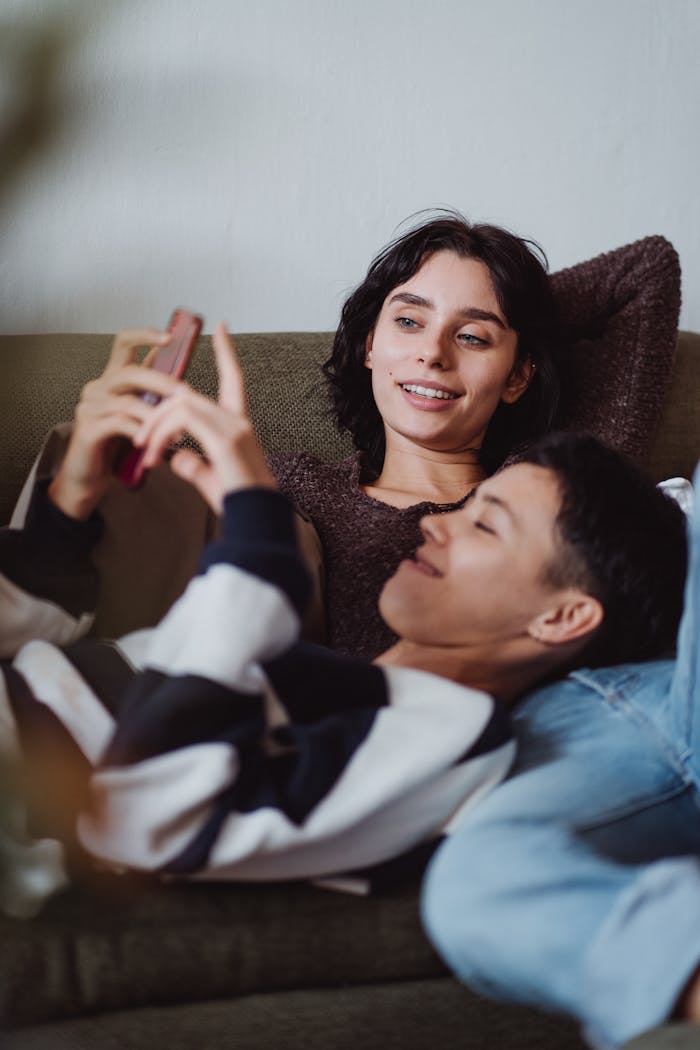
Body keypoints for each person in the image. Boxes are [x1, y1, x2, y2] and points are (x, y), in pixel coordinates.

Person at [0, 324, 686, 913]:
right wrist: (73, 498)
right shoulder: (320, 677)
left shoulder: (453, 739)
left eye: (487, 525)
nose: (437, 525)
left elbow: (156, 818)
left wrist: (255, 545)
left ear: (563, 617)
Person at [272, 215, 681, 659]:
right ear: (369, 344)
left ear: (518, 376)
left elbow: (648, 268)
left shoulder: (550, 484)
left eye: (472, 337)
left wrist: (518, 304)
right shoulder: (295, 484)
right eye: (409, 322)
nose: (432, 353)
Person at [420, 457, 700, 1049]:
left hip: (635, 686)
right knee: (472, 887)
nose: (432, 524)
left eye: (483, 523)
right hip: (568, 739)